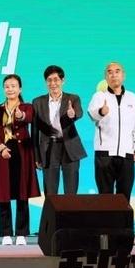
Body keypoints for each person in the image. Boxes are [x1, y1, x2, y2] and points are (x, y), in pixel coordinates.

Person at [0, 74, 40, 245]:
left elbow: (29, 118)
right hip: (4, 152)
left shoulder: (27, 107)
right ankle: (6, 233)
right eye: (7, 86)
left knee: (22, 193)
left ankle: (21, 233)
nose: (10, 89)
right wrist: (0, 147)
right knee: (4, 194)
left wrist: (20, 115)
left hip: (22, 152)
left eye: (13, 86)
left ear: (20, 89)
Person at [87, 61, 135, 201]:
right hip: (104, 154)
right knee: (105, 198)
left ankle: (123, 217)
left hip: (126, 154)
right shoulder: (99, 96)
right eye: (110, 72)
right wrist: (101, 111)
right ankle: (106, 217)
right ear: (105, 77)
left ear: (123, 75)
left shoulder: (133, 98)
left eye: (117, 71)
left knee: (124, 198)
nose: (114, 75)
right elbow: (92, 114)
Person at [31, 65, 87, 195]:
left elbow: (79, 112)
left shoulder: (73, 98)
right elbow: (34, 131)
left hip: (70, 148)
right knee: (50, 193)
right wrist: (36, 156)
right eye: (49, 80)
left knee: (71, 193)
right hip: (48, 148)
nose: (53, 83)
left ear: (63, 80)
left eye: (56, 79)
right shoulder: (37, 102)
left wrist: (72, 114)